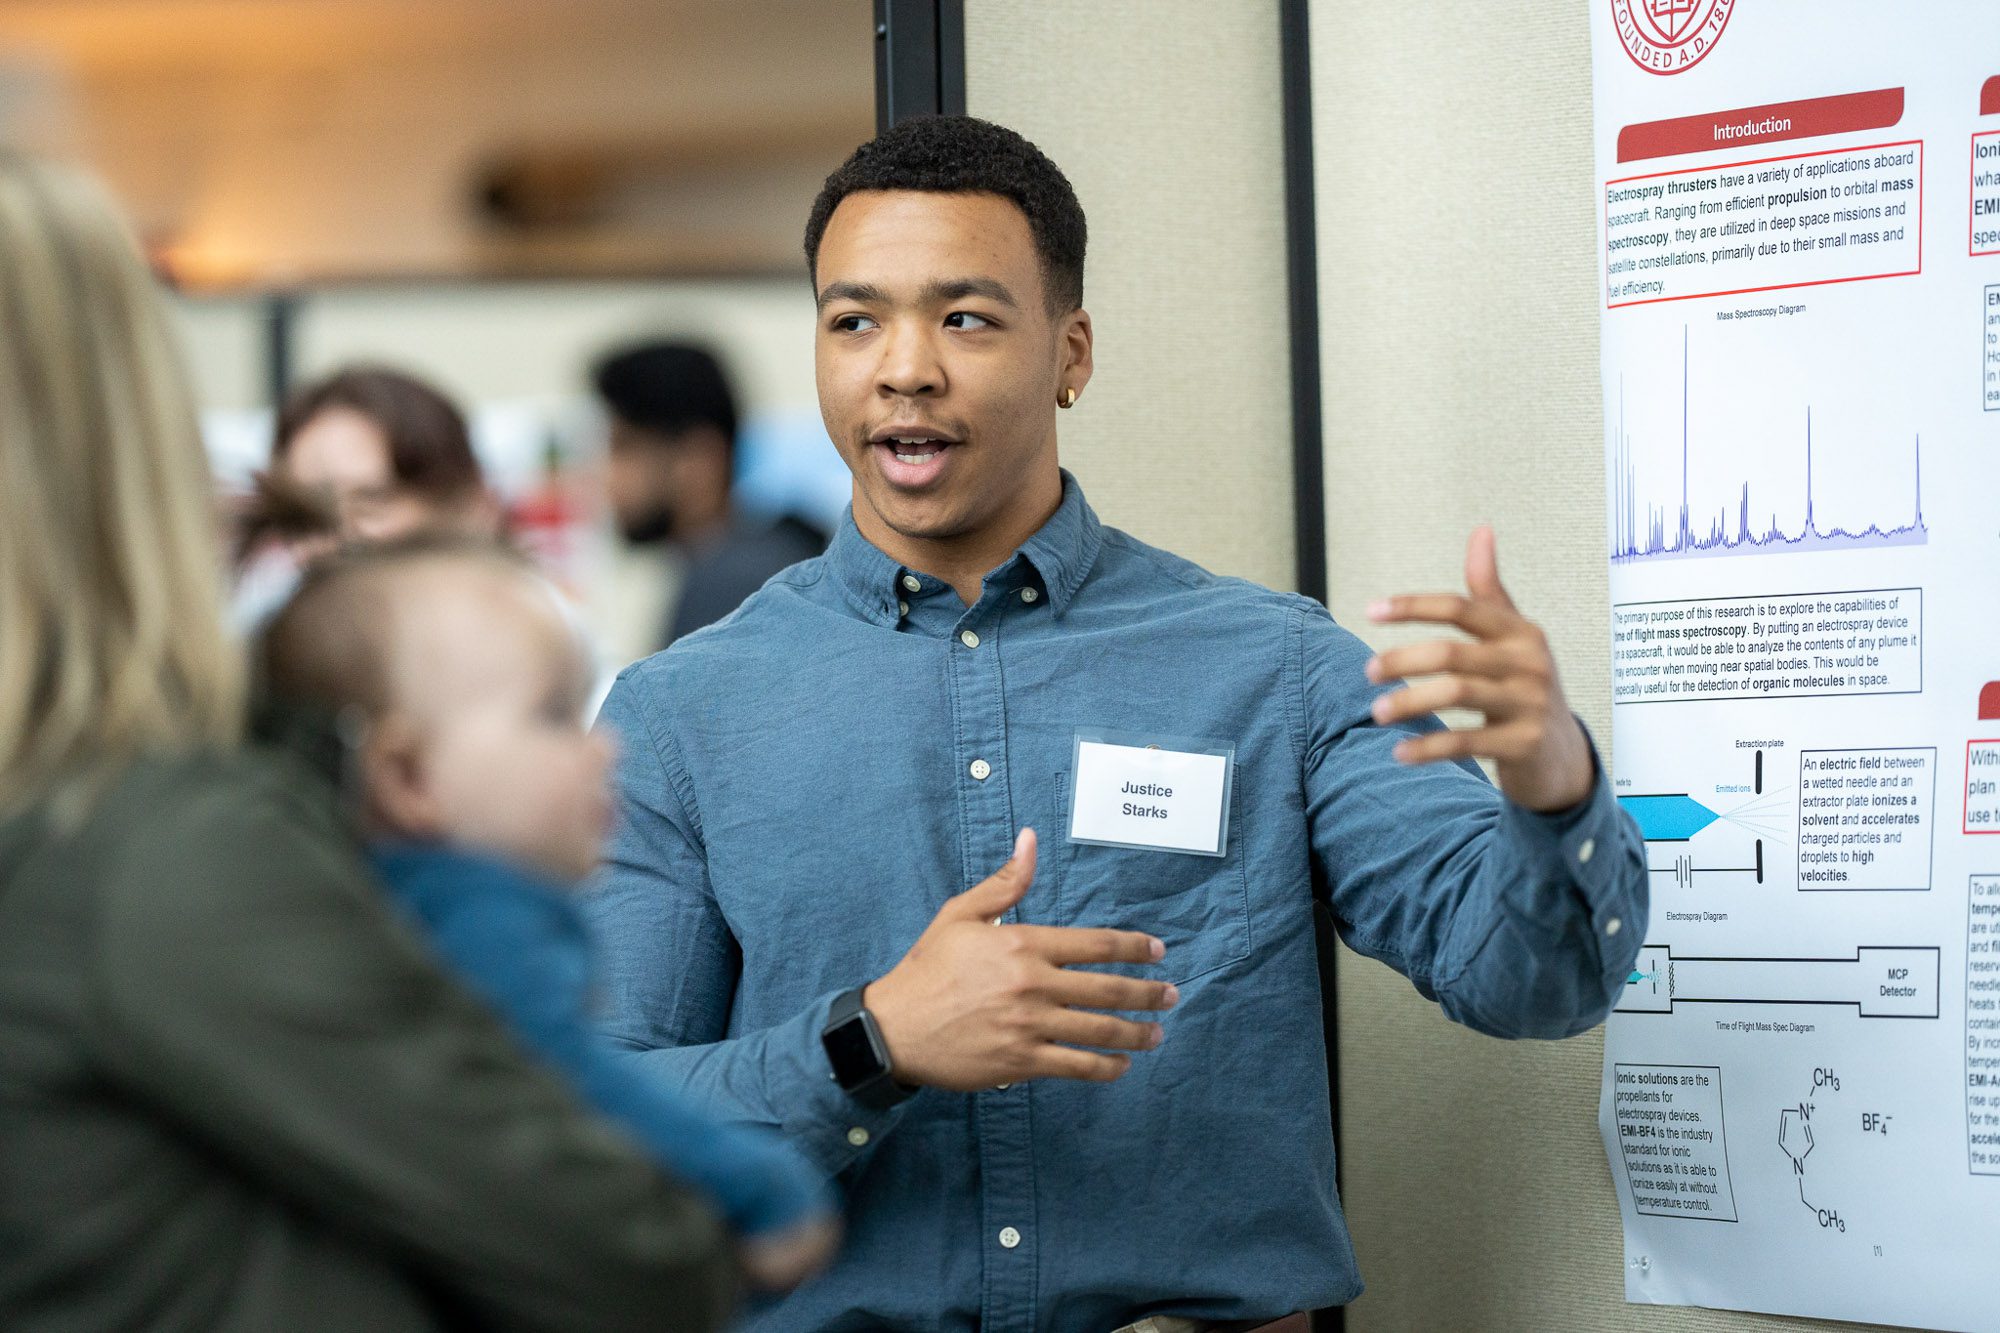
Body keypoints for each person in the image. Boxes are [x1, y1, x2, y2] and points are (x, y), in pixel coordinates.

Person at [584, 116, 1647, 1332]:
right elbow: (604, 1138)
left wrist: (1550, 790)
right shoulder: (677, 716)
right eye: (854, 319)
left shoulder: (1274, 671)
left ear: (1069, 353)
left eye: (966, 317)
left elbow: (1535, 982)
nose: (904, 367)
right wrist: (871, 1042)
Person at [0, 151, 737, 1331]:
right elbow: (633, 1244)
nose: (334, 558)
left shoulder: (184, 804)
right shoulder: (164, 836)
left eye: (372, 512)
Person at [253, 537, 840, 1289]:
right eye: (555, 715)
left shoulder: (343, 906)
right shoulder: (477, 922)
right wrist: (764, 1193)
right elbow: (586, 1093)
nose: (602, 747)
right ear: (406, 776)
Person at [591, 341, 825, 647]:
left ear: (700, 459)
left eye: (625, 448)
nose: (606, 476)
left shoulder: (731, 586)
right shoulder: (762, 564)